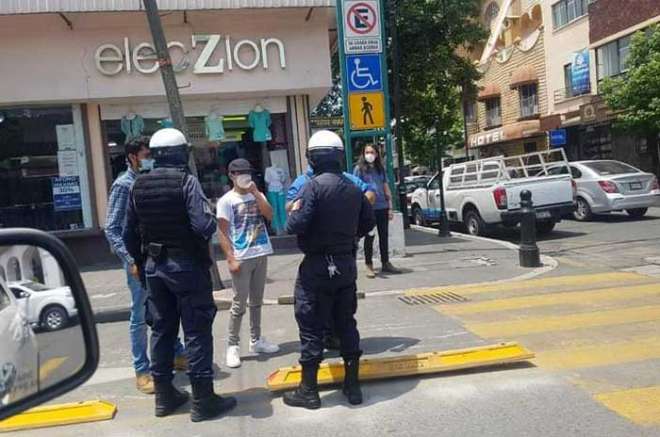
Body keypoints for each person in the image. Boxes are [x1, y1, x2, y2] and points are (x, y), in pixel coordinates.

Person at [123, 128, 236, 422]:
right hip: (185, 266)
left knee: (161, 330)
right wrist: (210, 213)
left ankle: (164, 397)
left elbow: (128, 233)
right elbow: (203, 226)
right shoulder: (187, 182)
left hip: (154, 268)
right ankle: (203, 400)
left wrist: (140, 264)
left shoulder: (138, 185)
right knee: (197, 331)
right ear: (180, 153)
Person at [284, 130, 375, 409]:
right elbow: (368, 223)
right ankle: (353, 386)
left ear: (313, 157)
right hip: (345, 264)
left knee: (311, 325)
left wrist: (297, 211)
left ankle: (309, 391)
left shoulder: (311, 187)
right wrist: (348, 239)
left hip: (316, 265)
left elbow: (293, 225)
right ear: (339, 156)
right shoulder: (352, 187)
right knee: (346, 322)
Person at [104, 136, 186, 395]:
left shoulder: (150, 180)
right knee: (140, 317)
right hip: (137, 262)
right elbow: (112, 229)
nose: (150, 158)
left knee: (166, 309)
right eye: (146, 154)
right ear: (132, 157)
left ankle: (177, 352)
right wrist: (130, 261)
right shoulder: (123, 185)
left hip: (157, 257)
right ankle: (142, 369)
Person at [217, 158, 280, 369]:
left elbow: (270, 214)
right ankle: (232, 345)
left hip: (261, 251)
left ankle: (256, 340)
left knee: (257, 301)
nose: (244, 176)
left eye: (247, 172)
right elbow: (222, 232)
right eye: (239, 173)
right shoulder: (226, 201)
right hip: (241, 256)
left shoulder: (256, 194)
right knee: (238, 304)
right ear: (231, 175)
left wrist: (255, 193)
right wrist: (230, 258)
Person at [354, 144, 401, 278]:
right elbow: (356, 188)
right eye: (367, 152)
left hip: (382, 207)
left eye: (372, 152)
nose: (370, 154)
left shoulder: (380, 169)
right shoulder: (359, 169)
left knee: (384, 236)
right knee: (369, 236)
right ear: (363, 154)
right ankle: (369, 265)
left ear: (376, 154)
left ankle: (385, 262)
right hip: (368, 209)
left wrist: (390, 207)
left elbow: (386, 188)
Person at [286, 165, 376, 212]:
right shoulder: (303, 180)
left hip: (343, 237)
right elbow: (288, 206)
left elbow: (370, 194)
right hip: (316, 238)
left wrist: (351, 207)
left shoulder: (346, 178)